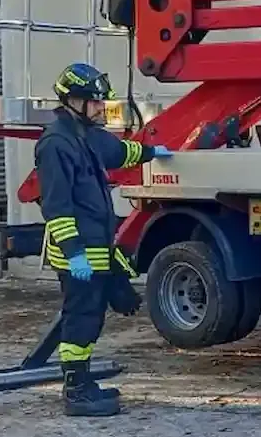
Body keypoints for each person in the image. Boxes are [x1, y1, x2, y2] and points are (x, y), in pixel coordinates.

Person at [35, 62, 173, 417]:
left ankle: (82, 382)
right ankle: (76, 392)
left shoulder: (86, 134)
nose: (101, 108)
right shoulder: (55, 144)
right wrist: (74, 253)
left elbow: (119, 153)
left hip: (96, 248)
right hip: (76, 253)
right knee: (80, 318)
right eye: (95, 102)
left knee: (92, 316)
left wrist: (152, 153)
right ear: (73, 101)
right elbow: (57, 206)